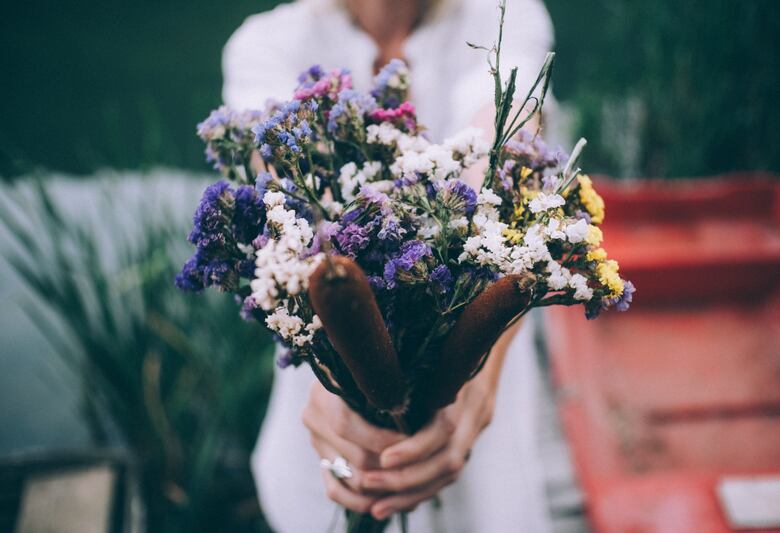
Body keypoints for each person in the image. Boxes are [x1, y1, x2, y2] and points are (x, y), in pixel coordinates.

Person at [222, 0, 556, 530]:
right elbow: (281, 207)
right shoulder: (267, 44)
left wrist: (475, 378)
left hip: (474, 392)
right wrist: (342, 379)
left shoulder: (504, 13)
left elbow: (505, 153)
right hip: (327, 414)